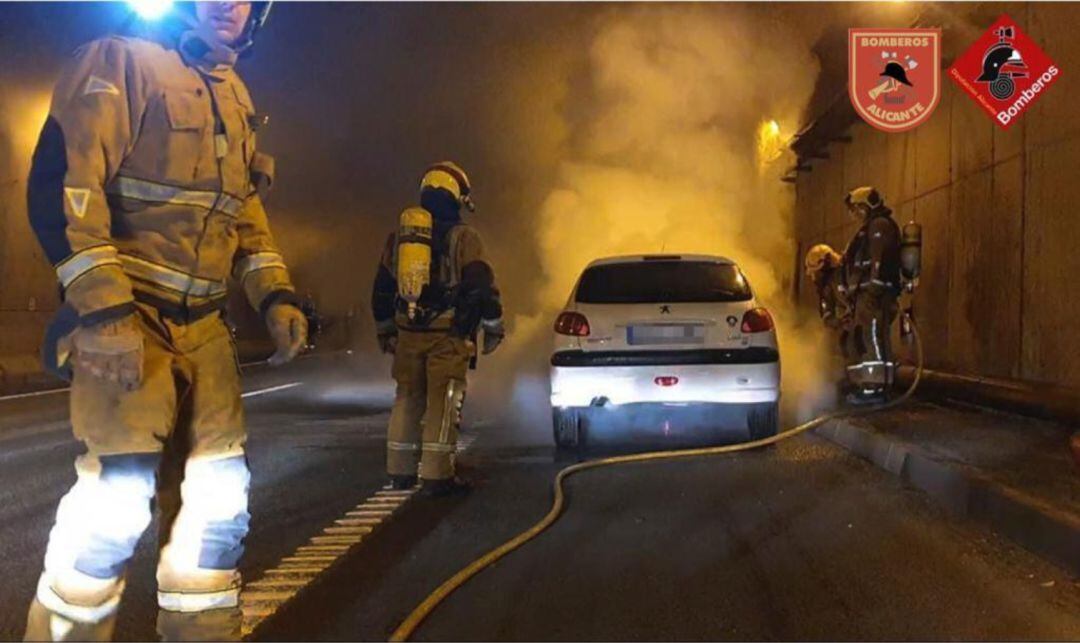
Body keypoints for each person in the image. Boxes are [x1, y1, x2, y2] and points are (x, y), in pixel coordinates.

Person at [25, 2, 306, 639]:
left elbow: (243, 220)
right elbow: (66, 189)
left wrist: (276, 297)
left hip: (205, 331)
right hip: (132, 321)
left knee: (216, 509)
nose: (230, 4)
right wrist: (105, 314)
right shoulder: (119, 62)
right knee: (115, 504)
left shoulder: (233, 91)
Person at [371, 162, 504, 497]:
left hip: (407, 331)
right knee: (443, 401)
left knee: (407, 397)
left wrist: (385, 328)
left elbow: (382, 288)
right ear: (457, 196)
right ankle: (437, 476)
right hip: (447, 333)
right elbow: (481, 283)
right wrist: (492, 325)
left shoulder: (399, 239)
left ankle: (399, 472)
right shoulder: (465, 237)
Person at [839, 186, 902, 404]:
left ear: (867, 206)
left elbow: (879, 260)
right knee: (866, 336)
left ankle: (876, 388)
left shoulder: (879, 226)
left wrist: (874, 288)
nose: (855, 214)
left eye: (857, 209)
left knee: (872, 336)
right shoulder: (870, 228)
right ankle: (869, 385)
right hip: (866, 294)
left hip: (874, 294)